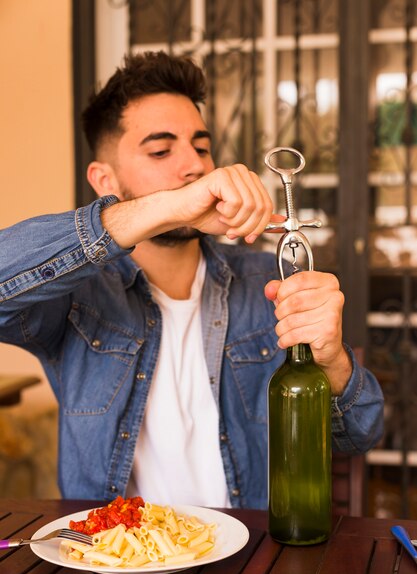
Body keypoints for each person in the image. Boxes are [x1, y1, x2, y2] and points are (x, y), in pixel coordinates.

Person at [0, 52, 383, 508]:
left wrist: (332, 361)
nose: (195, 166)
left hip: (251, 561)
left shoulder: (269, 281)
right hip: (117, 565)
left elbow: (358, 435)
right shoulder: (76, 297)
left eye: (201, 148)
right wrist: (170, 205)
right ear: (106, 181)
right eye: (161, 151)